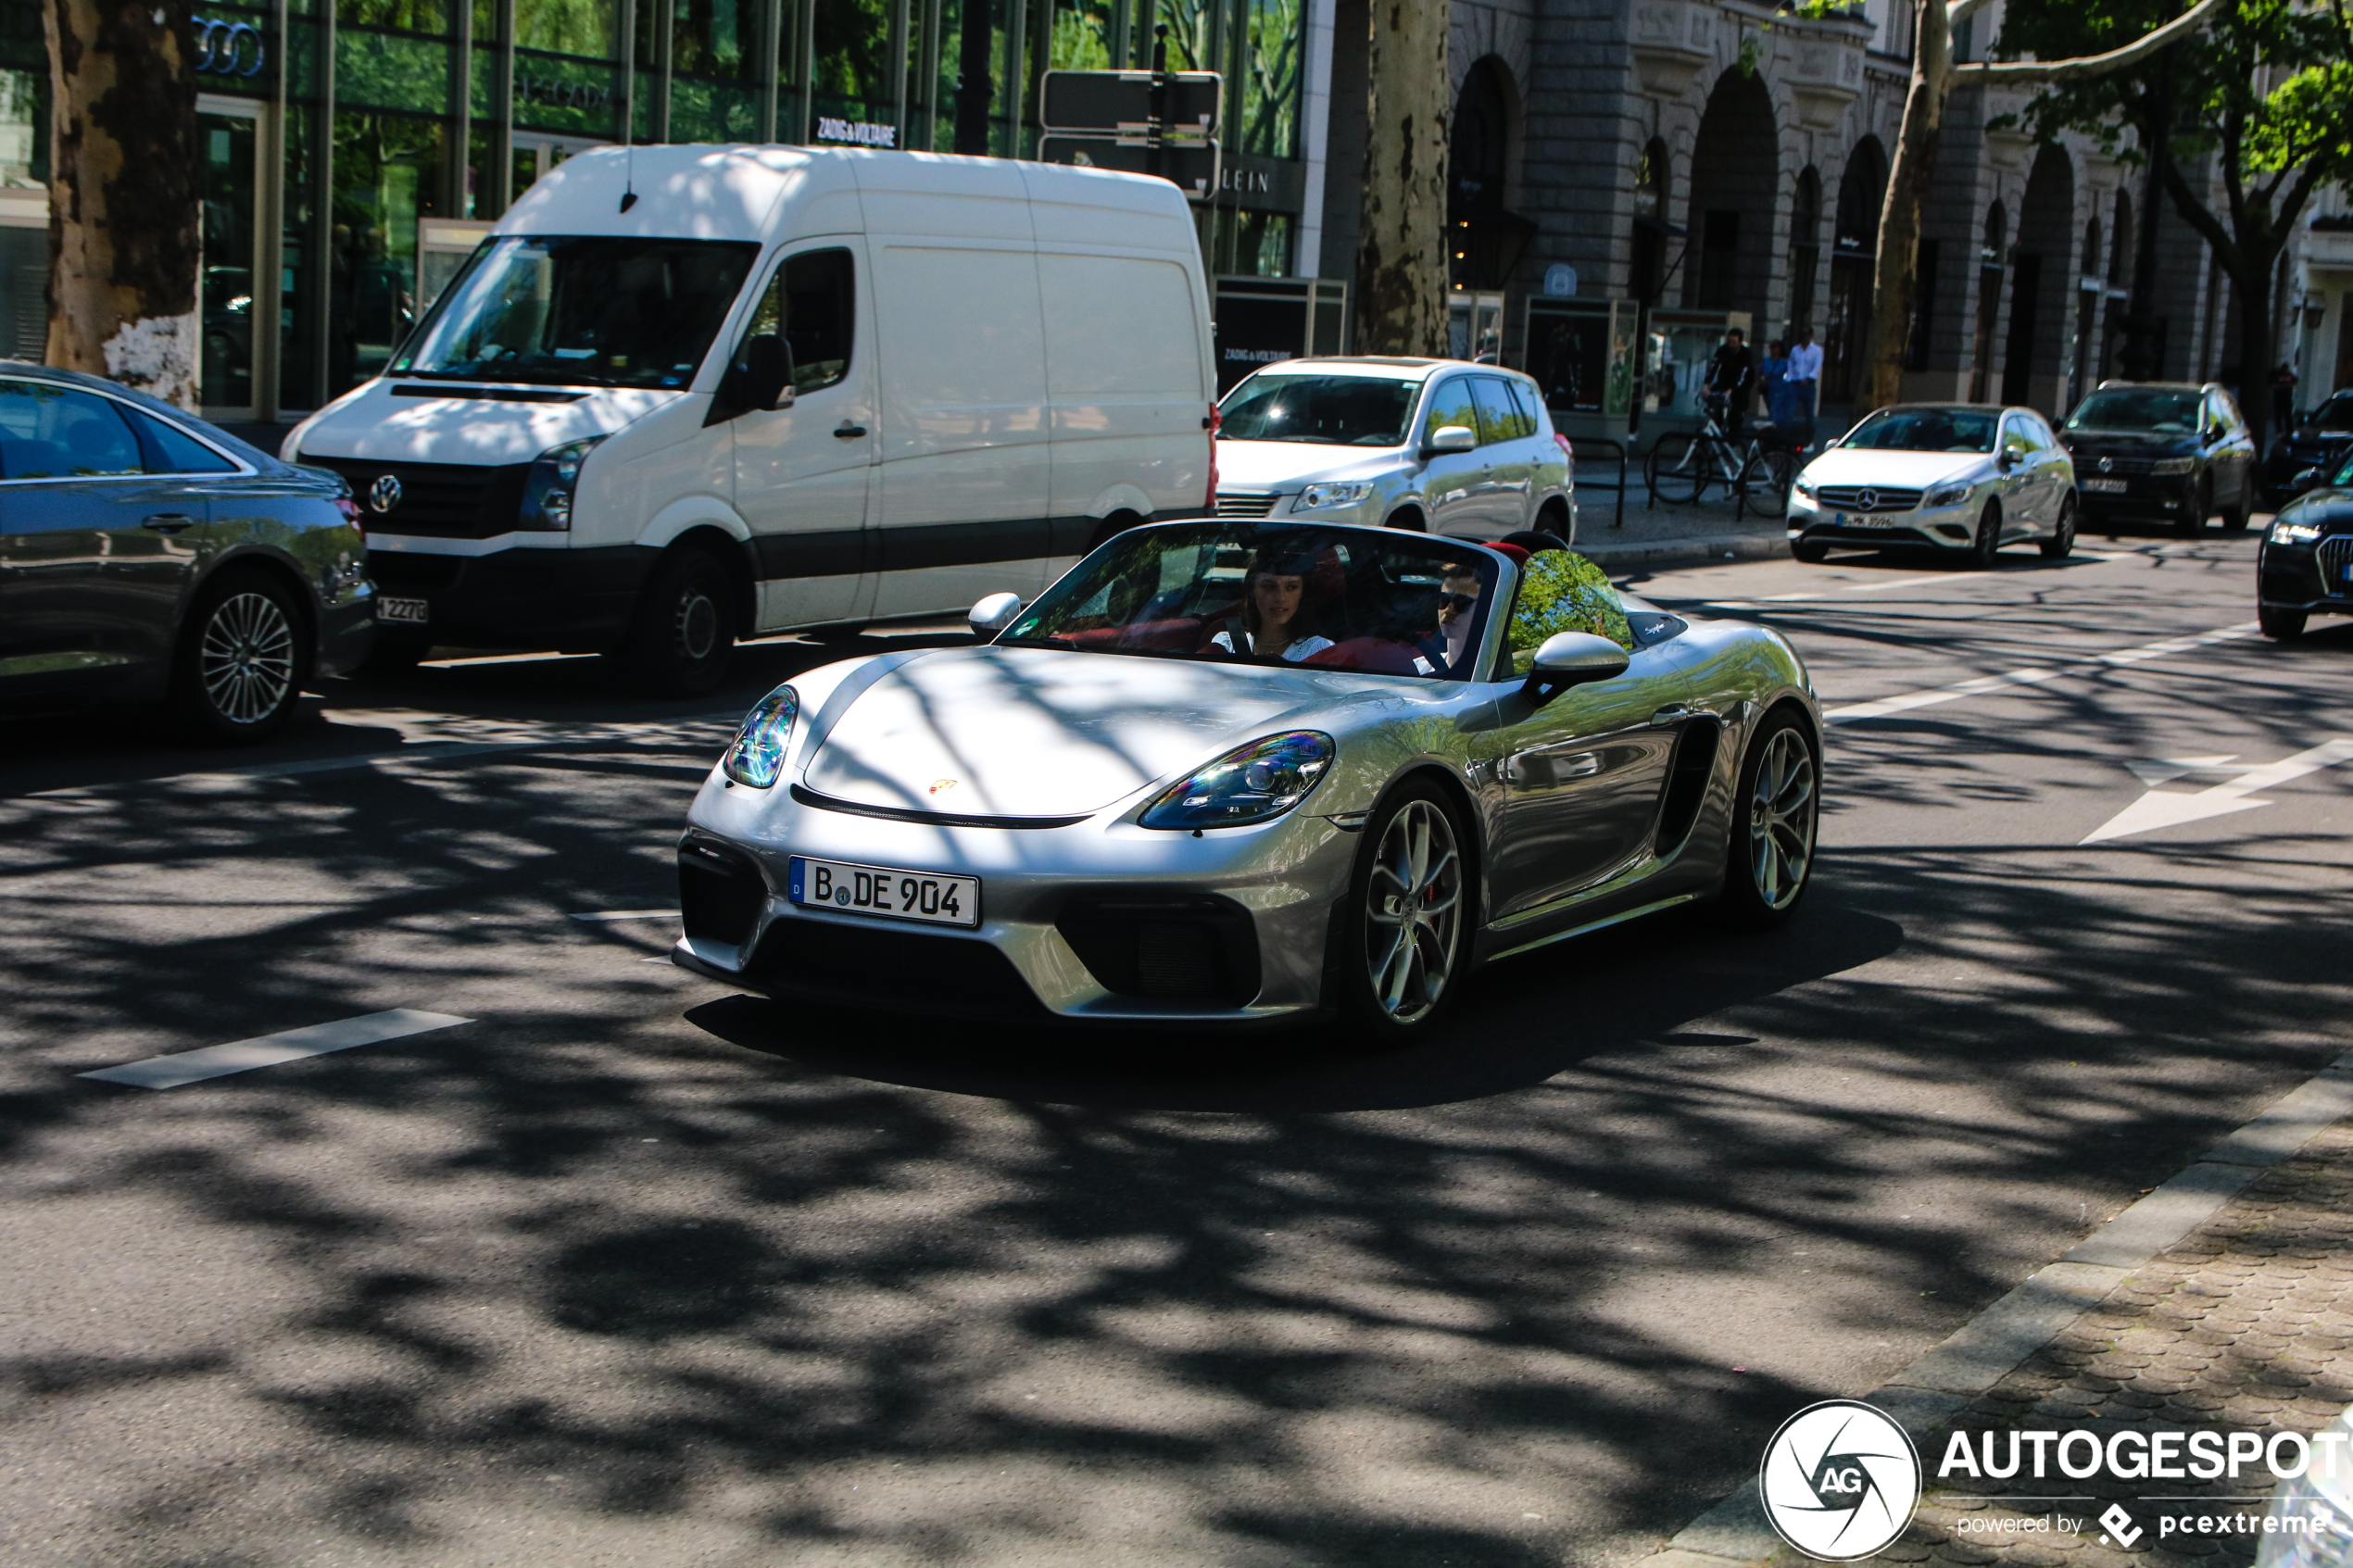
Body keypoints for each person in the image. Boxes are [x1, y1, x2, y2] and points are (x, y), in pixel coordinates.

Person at [1208, 554, 1335, 662]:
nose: (1280, 598)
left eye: (1291, 587)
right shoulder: (1226, 644)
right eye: (1269, 587)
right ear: (1252, 589)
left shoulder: (1320, 650)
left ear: (1302, 593)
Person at [1705, 326, 1756, 442]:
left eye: (1734, 342)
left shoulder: (1746, 354)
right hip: (1724, 382)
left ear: (1740, 343)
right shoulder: (1723, 350)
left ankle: (1733, 441)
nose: (1731, 345)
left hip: (1740, 388)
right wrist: (1707, 385)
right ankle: (1715, 439)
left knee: (1736, 415)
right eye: (1729, 342)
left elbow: (1742, 375)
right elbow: (1714, 367)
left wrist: (1731, 390)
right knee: (1715, 413)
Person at [1437, 564, 1484, 669]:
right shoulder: (1418, 668)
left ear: (1484, 608)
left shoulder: (1487, 674)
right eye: (1444, 599)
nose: (1448, 610)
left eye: (1461, 602)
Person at [1785, 326, 1823, 420]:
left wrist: (1808, 379)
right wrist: (1790, 377)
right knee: (1790, 409)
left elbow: (1817, 367)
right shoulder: (1795, 349)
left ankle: (1809, 431)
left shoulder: (1817, 350)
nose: (1805, 337)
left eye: (1807, 334)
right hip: (1795, 383)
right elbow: (1791, 364)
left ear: (1811, 336)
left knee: (1809, 411)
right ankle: (1787, 431)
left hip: (1808, 385)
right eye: (1803, 334)